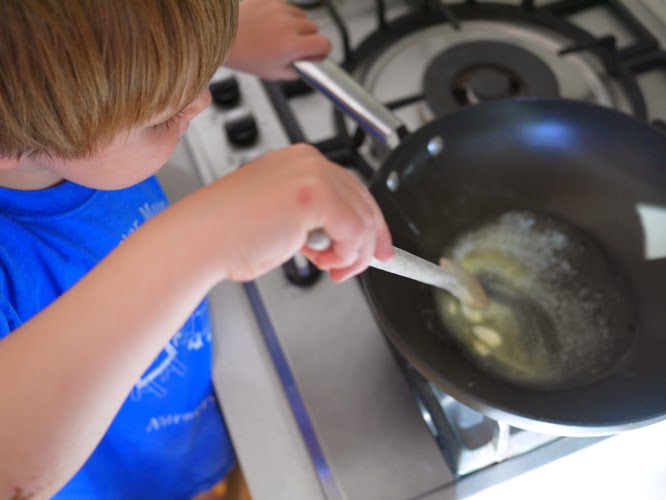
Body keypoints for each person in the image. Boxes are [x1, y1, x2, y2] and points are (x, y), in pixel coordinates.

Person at [0, 0, 393, 498]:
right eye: (162, 118)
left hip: (181, 437)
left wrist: (193, 51)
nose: (202, 101)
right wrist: (205, 236)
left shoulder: (44, 120)